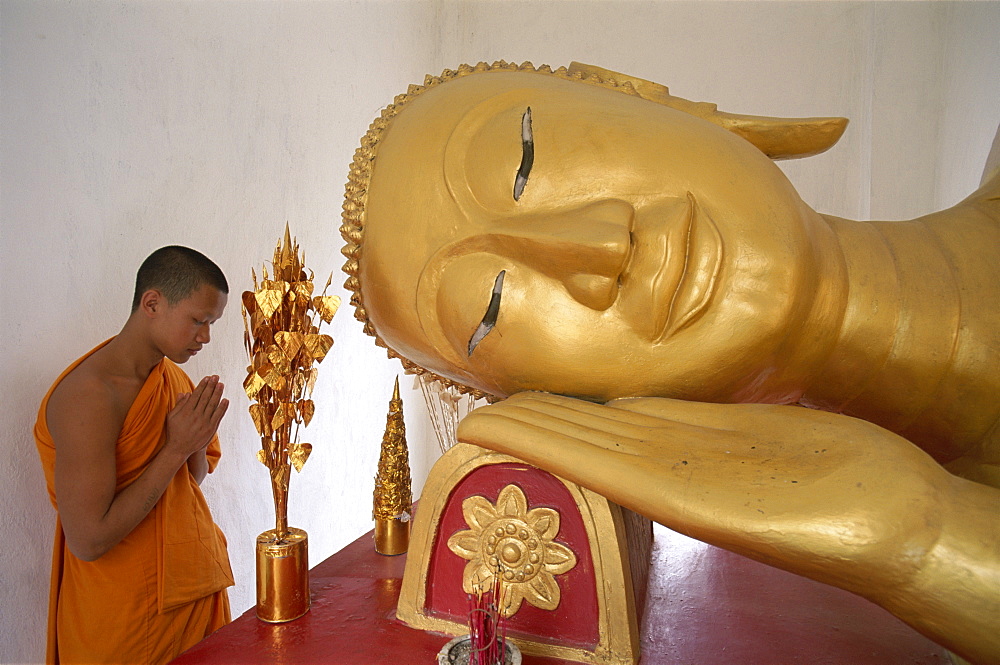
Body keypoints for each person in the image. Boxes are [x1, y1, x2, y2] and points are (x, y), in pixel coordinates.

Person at [339, 62, 999, 664]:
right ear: (560, 403)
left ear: (643, 95)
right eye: (491, 309)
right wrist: (925, 541)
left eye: (526, 157)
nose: (599, 247)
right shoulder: (924, 531)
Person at [34, 245, 235, 665]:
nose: (206, 337)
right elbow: (89, 540)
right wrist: (177, 447)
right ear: (152, 303)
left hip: (189, 594)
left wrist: (195, 440)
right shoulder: (88, 396)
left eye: (211, 323)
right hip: (121, 616)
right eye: (198, 320)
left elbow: (185, 483)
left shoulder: (171, 376)